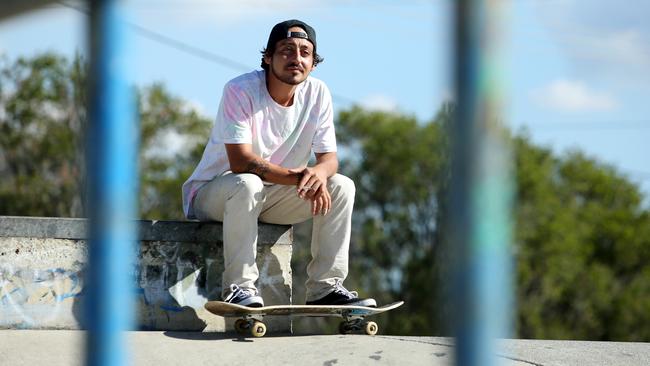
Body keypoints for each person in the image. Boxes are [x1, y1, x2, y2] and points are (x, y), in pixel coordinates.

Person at [182, 19, 375, 308]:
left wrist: (318, 175)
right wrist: (299, 178)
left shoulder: (318, 93)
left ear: (313, 62)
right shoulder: (240, 90)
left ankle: (325, 288)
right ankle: (239, 287)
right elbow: (240, 162)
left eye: (304, 52)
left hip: (272, 197)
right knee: (247, 183)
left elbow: (329, 159)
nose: (296, 58)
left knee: (341, 186)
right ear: (268, 57)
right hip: (216, 194)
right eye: (286, 50)